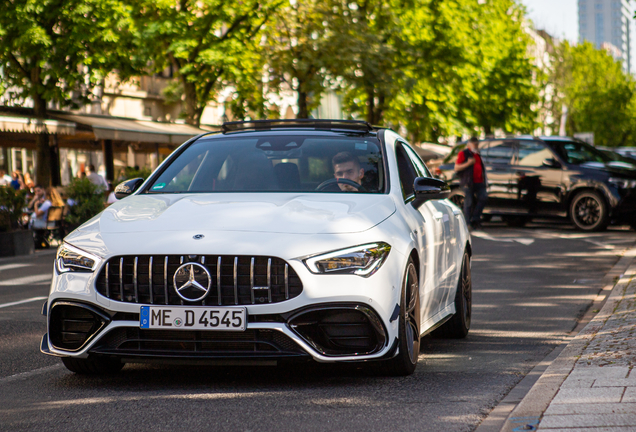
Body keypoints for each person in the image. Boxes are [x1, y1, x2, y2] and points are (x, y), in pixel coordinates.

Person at [454, 136, 488, 229]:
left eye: (477, 144)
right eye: (474, 144)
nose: (476, 146)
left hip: (479, 182)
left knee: (483, 198)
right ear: (469, 144)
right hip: (468, 182)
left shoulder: (478, 154)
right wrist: (468, 163)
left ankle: (475, 219)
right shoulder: (464, 154)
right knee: (468, 203)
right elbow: (456, 167)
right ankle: (467, 223)